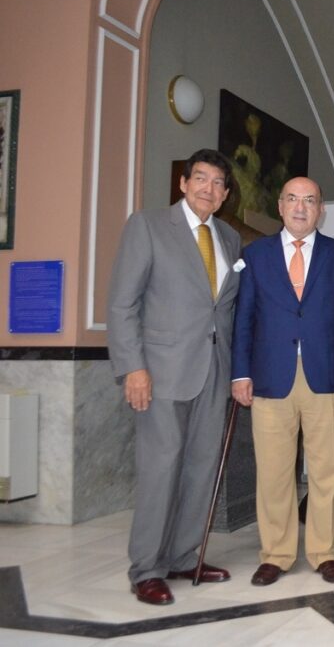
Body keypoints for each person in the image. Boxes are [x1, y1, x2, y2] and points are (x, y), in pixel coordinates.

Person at [107, 149, 241, 605]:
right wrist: (133, 367)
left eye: (218, 183)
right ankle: (146, 567)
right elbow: (123, 304)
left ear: (224, 196)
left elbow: (223, 310)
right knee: (160, 469)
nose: (209, 188)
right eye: (200, 178)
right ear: (183, 184)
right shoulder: (146, 226)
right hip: (160, 373)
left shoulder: (228, 238)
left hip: (214, 373)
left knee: (201, 471)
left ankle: (185, 556)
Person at [231, 176, 334, 587]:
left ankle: (325, 552)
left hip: (328, 376)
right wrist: (240, 372)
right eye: (292, 199)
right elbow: (243, 318)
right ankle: (276, 554)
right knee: (273, 471)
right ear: (280, 206)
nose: (301, 207)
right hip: (271, 377)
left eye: (310, 200)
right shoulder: (256, 256)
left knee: (327, 471)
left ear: (321, 209)